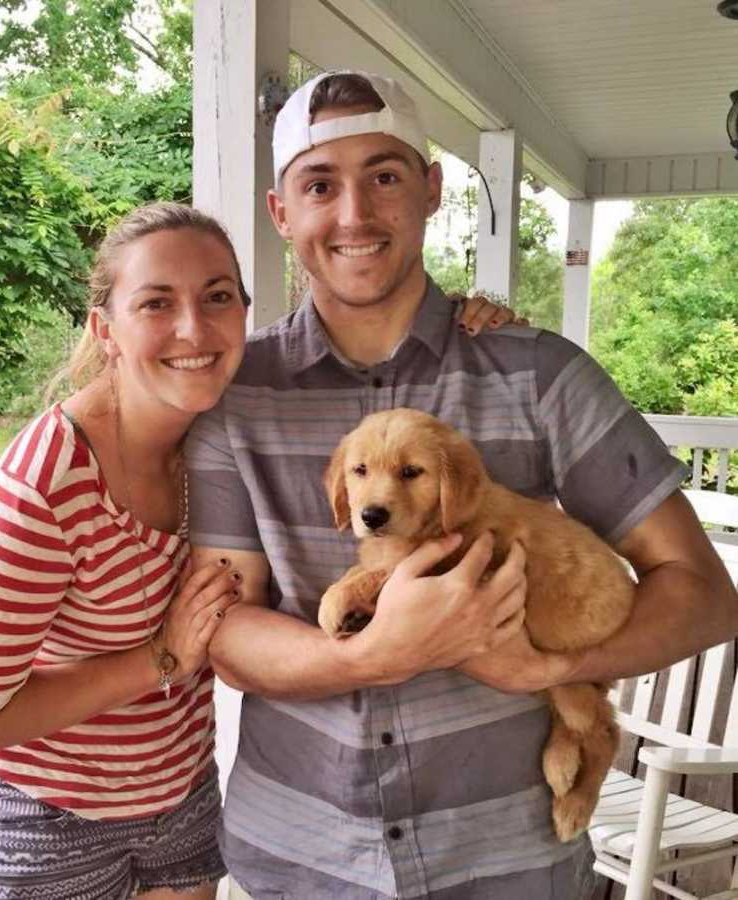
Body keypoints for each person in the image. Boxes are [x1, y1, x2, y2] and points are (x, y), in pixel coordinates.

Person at [185, 71, 738, 900]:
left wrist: (542, 667)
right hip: (303, 858)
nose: (354, 214)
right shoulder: (237, 396)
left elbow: (702, 594)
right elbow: (224, 627)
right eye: (319, 185)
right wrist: (376, 654)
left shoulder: (541, 375)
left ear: (432, 188)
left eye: (385, 175)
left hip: (508, 859)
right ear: (281, 213)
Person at [0, 200, 511, 900]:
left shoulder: (217, 432)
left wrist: (465, 319)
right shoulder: (41, 491)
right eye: (155, 303)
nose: (193, 329)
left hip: (181, 805)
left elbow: (358, 346)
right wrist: (160, 658)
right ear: (103, 330)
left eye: (218, 298)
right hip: (44, 825)